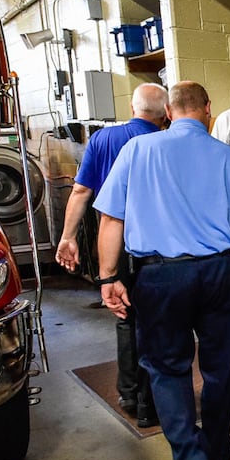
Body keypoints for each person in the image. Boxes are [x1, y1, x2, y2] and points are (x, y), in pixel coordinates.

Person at [94, 81, 230, 460]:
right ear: (208, 109)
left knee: (167, 368)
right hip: (219, 273)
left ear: (168, 112)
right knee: (220, 365)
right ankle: (217, 448)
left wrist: (107, 277)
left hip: (160, 276)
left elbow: (111, 220)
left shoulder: (136, 151)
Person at [56, 83, 169, 427]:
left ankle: (128, 392)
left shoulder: (102, 140)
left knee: (124, 316)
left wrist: (68, 237)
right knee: (155, 324)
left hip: (112, 245)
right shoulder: (162, 143)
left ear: (133, 108)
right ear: (165, 112)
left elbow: (80, 190)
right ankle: (152, 404)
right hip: (152, 246)